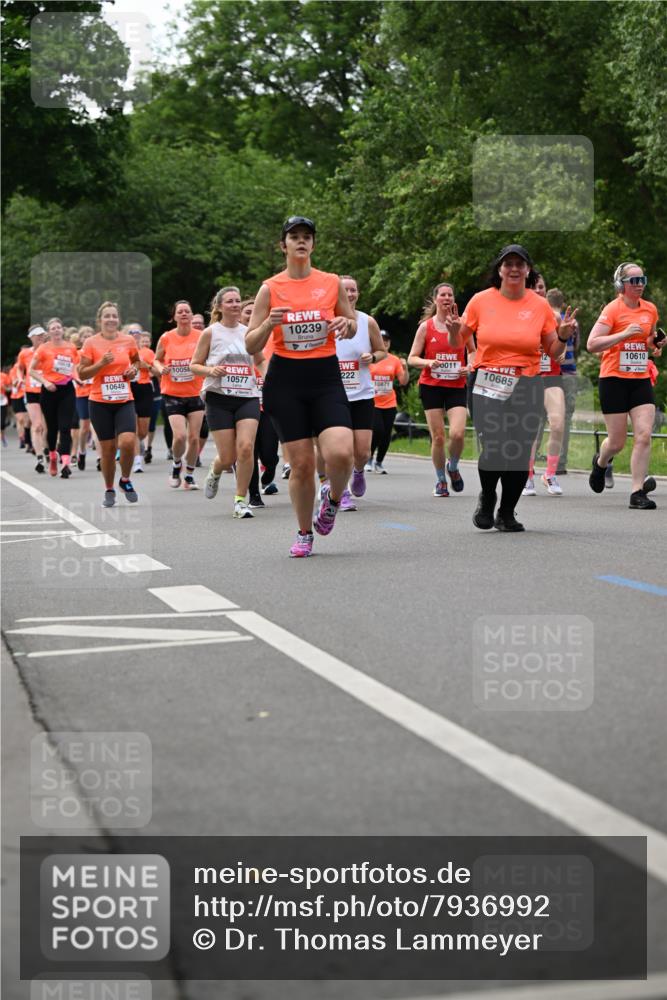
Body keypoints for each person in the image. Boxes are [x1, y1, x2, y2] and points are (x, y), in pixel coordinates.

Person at [245, 215, 357, 557]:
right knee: (303, 464)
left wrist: (346, 324)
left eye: (307, 236)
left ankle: (332, 500)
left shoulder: (331, 282)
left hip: (325, 378)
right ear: (284, 245)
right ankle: (305, 532)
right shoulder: (270, 288)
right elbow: (250, 343)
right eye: (294, 236)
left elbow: (351, 323)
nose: (301, 241)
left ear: (313, 244)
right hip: (285, 382)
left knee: (341, 453)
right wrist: (268, 324)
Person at [447, 244, 577, 531]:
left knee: (519, 451)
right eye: (509, 264)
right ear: (500, 269)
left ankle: (506, 513)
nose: (514, 269)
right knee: (494, 447)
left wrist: (563, 337)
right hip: (488, 381)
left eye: (520, 264)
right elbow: (457, 342)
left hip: (527, 383)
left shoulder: (539, 305)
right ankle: (488, 497)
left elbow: (553, 352)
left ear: (528, 270)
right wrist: (454, 331)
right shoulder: (481, 301)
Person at [587, 261, 662, 509]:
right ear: (621, 284)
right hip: (614, 380)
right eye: (634, 281)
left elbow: (648, 338)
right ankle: (601, 462)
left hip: (640, 380)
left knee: (643, 434)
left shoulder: (650, 309)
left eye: (642, 280)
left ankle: (637, 492)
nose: (640, 285)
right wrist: (623, 334)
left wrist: (656, 344)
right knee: (617, 442)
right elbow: (592, 344)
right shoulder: (612, 310)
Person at [191, 286, 266, 518]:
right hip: (219, 398)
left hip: (247, 396)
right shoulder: (210, 333)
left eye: (237, 301)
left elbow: (260, 360)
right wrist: (210, 370)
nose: (235, 305)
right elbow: (194, 365)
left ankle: (240, 500)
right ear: (219, 306)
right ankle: (215, 471)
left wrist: (269, 378)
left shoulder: (249, 332)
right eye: (230, 301)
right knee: (228, 457)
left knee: (246, 448)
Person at [325, 274, 387, 509]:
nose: (350, 294)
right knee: (342, 450)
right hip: (333, 396)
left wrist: (372, 357)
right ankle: (341, 493)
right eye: (345, 290)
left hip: (362, 394)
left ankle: (359, 472)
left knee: (362, 451)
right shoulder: (327, 320)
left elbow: (381, 351)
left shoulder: (367, 321)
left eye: (353, 290)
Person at [408, 282, 474, 496]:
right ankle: (440, 481)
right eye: (443, 295)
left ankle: (452, 467)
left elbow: (473, 352)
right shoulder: (426, 327)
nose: (447, 298)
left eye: (450, 295)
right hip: (431, 386)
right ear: (436, 299)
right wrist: (428, 362)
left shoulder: (463, 324)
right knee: (438, 437)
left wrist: (469, 366)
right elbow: (411, 358)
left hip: (456, 385)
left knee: (458, 434)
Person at [78, 302, 140, 507]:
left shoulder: (128, 340)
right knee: (108, 450)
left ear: (118, 319)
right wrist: (101, 363)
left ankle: (125, 479)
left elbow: (136, 361)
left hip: (124, 400)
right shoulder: (91, 343)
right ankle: (109, 488)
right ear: (100, 320)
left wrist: (133, 371)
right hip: (99, 402)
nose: (111, 319)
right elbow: (82, 373)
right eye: (107, 316)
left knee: (128, 442)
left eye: (114, 316)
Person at [154, 300, 205, 490]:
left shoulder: (201, 336)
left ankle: (189, 475)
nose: (184, 314)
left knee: (194, 438)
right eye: (180, 311)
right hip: (173, 393)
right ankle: (177, 464)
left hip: (195, 393)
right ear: (174, 316)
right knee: (180, 437)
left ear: (192, 315)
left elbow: (210, 357)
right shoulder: (166, 338)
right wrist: (161, 368)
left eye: (187, 311)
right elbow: (156, 360)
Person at [523, 281, 566, 497]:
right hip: (528, 377)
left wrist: (561, 350)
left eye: (541, 286)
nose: (538, 290)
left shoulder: (555, 317)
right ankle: (527, 475)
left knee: (557, 424)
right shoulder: (519, 315)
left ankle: (549, 474)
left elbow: (561, 346)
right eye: (534, 287)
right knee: (530, 429)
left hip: (551, 377)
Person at [29, 318, 79, 477]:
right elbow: (31, 370)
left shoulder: (71, 347)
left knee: (65, 427)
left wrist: (77, 378)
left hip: (67, 390)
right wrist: (45, 382)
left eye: (58, 327)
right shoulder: (43, 349)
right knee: (52, 428)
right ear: (48, 332)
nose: (56, 330)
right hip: (49, 391)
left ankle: (65, 463)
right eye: (53, 328)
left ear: (62, 330)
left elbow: (74, 367)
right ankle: (52, 456)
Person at [546, 288, 583, 479]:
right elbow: (576, 346)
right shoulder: (572, 321)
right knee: (564, 419)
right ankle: (560, 463)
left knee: (538, 417)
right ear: (562, 303)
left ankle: (530, 462)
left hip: (546, 372)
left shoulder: (544, 318)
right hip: (568, 372)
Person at [367, 331, 409, 473]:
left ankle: (379, 462)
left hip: (389, 402)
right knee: (378, 430)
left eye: (387, 340)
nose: (384, 342)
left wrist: (405, 368)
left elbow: (403, 381)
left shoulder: (394, 360)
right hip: (373, 402)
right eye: (381, 339)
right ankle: (368, 458)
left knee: (386, 434)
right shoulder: (369, 358)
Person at [18, 326, 49, 472]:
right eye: (37, 335)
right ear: (30, 337)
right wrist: (20, 379)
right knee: (37, 426)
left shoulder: (50, 350)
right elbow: (20, 368)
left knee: (47, 426)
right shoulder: (24, 353)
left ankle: (47, 448)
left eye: (42, 335)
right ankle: (39, 458)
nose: (40, 337)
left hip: (47, 391)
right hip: (31, 392)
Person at [125, 324, 155, 474]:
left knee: (143, 430)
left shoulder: (147, 352)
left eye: (138, 331)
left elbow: (156, 370)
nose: (135, 334)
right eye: (132, 332)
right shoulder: (123, 350)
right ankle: (137, 461)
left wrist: (146, 366)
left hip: (144, 389)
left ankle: (139, 442)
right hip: (129, 388)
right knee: (134, 428)